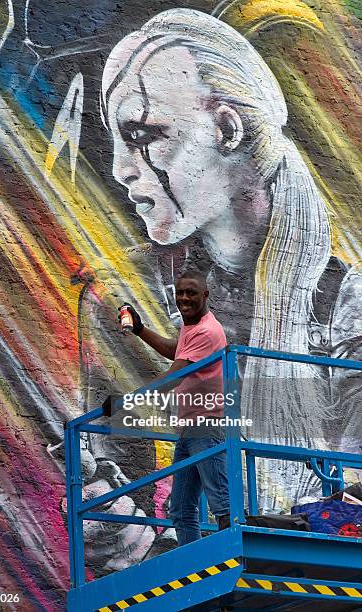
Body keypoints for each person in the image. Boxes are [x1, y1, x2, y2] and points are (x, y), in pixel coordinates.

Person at [99, 7, 362, 512]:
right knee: (186, 500)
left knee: (210, 494)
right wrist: (114, 517)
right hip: (202, 430)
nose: (118, 169)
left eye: (141, 135)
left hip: (288, 527)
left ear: (227, 128)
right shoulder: (115, 293)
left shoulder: (346, 310)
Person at [103, 270, 231, 543]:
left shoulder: (207, 331)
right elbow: (176, 350)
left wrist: (123, 403)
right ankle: (195, 567)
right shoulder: (193, 327)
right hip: (189, 429)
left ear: (205, 296)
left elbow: (175, 375)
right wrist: (139, 329)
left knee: (222, 503)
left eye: (191, 293)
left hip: (206, 426)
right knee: (181, 508)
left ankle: (232, 554)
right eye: (180, 293)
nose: (184, 299)